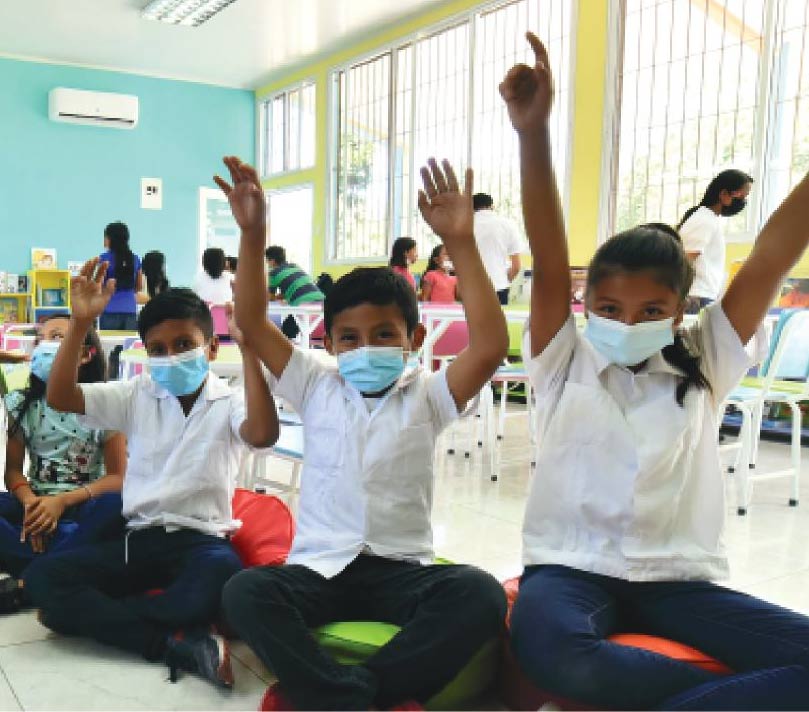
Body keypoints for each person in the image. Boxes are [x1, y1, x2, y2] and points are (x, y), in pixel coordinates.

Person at [504, 32, 809, 710]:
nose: (624, 321)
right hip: (568, 567)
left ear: (678, 313)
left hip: (677, 578)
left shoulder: (704, 355)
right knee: (552, 650)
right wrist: (532, 133)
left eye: (649, 308)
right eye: (607, 307)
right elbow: (550, 259)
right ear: (585, 305)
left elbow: (767, 260)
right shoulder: (564, 357)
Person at [214, 155, 508, 711]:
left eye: (383, 334)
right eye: (348, 337)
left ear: (414, 336)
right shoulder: (315, 384)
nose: (364, 347)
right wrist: (253, 234)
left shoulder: (428, 393)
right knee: (244, 591)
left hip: (402, 568)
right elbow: (252, 322)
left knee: (479, 594)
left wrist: (462, 242)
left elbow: (490, 347)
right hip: (320, 568)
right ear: (329, 343)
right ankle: (363, 697)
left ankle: (334, 695)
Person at [23, 274, 279, 689]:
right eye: (158, 350)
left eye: (184, 345)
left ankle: (107, 616)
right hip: (138, 538)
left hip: (203, 541)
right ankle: (172, 641)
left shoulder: (231, 400)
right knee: (43, 579)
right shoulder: (138, 392)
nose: (171, 358)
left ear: (212, 348)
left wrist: (250, 350)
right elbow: (61, 397)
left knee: (223, 580)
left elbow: (262, 434)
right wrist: (81, 323)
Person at [0, 315, 125, 613]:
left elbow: (118, 478)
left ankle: (29, 578)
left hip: (82, 504)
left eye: (57, 337)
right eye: (41, 338)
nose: (46, 345)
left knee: (117, 507)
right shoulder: (21, 403)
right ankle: (61, 560)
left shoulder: (106, 404)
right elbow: (13, 471)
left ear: (84, 354)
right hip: (35, 503)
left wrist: (61, 502)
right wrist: (32, 504)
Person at [678, 170, 754, 313]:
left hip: (703, 295)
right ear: (724, 194)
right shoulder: (703, 219)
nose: (743, 201)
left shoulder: (710, 219)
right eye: (741, 195)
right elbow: (684, 260)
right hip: (696, 297)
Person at [472, 193, 523, 305]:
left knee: (472, 322)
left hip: (471, 287)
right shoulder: (508, 224)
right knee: (497, 322)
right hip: (499, 285)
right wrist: (504, 280)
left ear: (471, 207)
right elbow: (517, 266)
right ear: (492, 206)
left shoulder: (464, 225)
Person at [265, 246, 324, 341]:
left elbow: (270, 297)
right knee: (292, 328)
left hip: (303, 304)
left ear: (272, 261)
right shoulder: (295, 266)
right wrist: (286, 296)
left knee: (286, 332)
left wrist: (278, 297)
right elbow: (297, 286)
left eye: (267, 260)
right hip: (321, 300)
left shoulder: (273, 273)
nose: (267, 263)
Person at [99, 221, 142, 331]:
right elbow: (139, 287)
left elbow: (99, 286)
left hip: (109, 310)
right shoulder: (135, 259)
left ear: (109, 239)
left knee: (109, 347)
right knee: (128, 347)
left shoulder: (104, 259)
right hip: (130, 310)